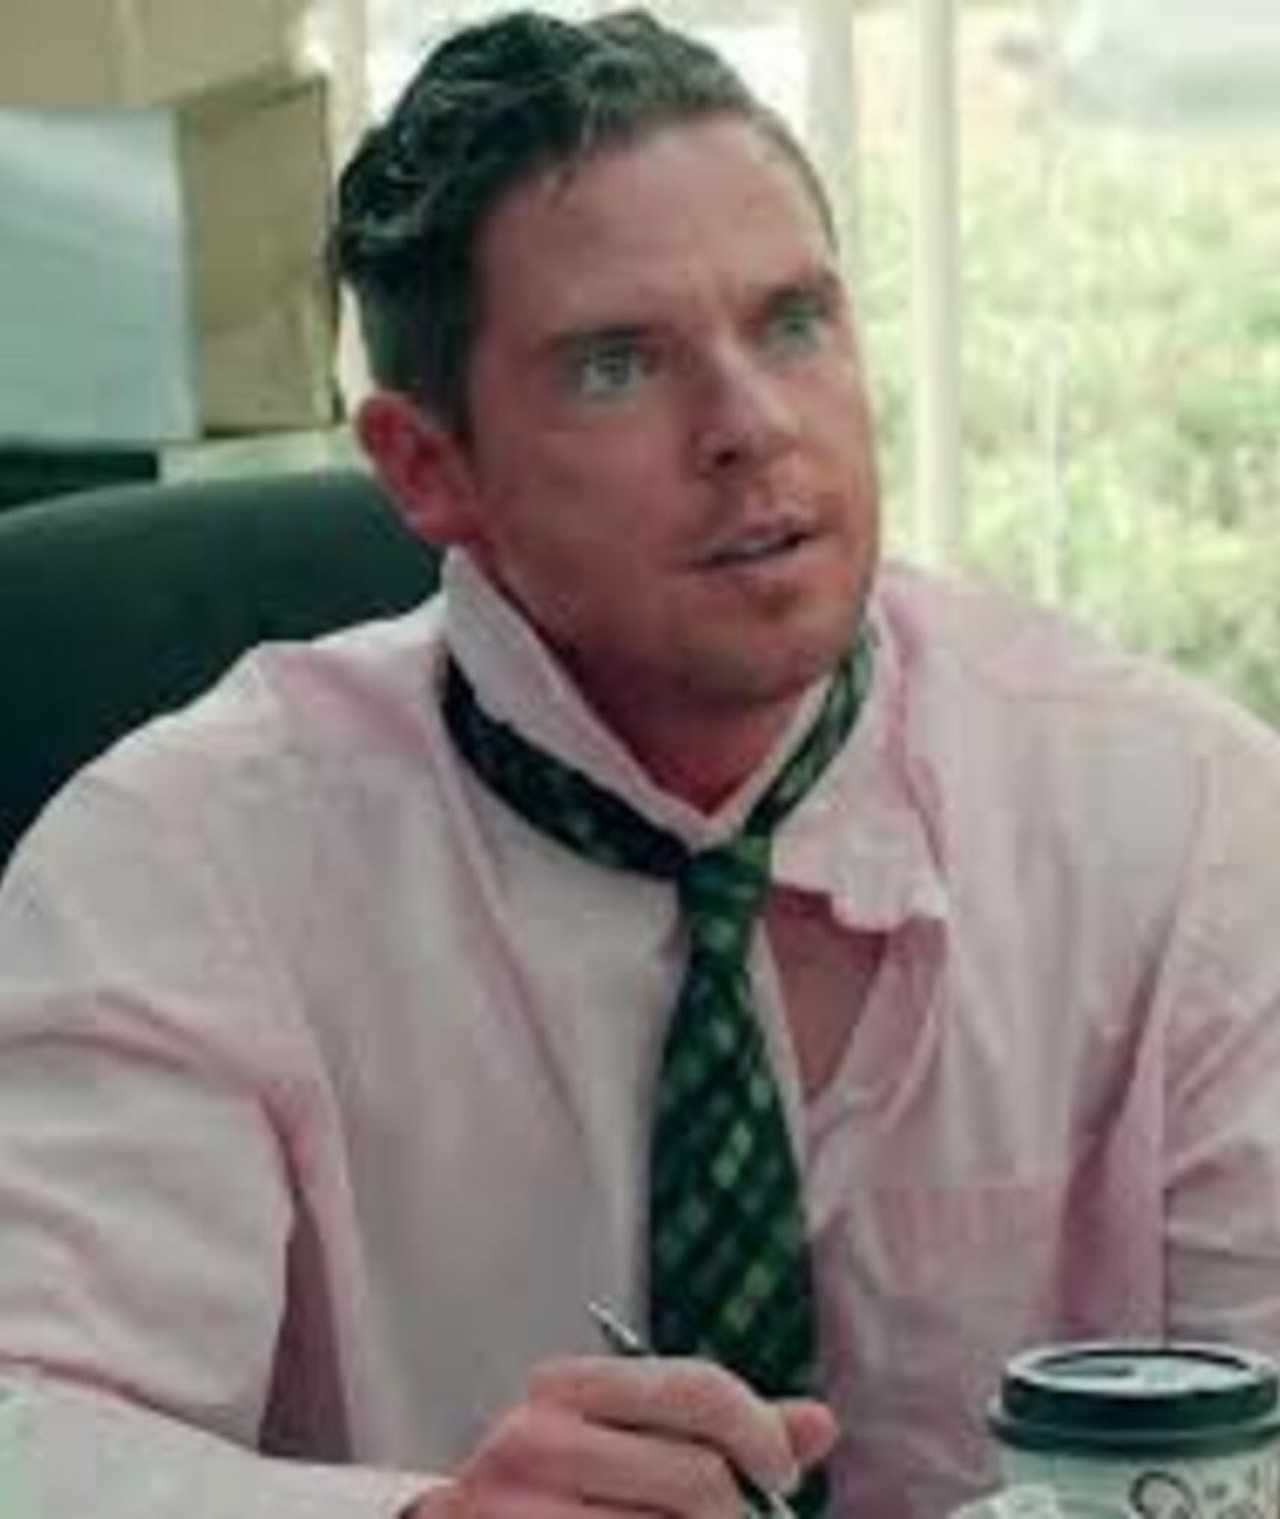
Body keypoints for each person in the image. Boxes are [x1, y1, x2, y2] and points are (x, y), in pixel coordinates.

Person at [3, 9, 1280, 1519]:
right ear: (427, 467)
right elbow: (32, 1431)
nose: (752, 426)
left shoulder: (1179, 817)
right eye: (617, 365)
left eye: (794, 323)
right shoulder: (185, 863)